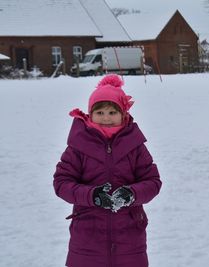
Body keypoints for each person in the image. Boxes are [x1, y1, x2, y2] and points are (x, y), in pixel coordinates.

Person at [53, 74, 162, 267]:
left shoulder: (135, 145)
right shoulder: (78, 146)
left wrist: (131, 194)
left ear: (123, 114)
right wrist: (91, 195)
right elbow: (62, 183)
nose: (106, 118)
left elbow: (152, 181)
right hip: (88, 235)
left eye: (112, 112)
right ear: (90, 114)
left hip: (129, 235)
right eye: (100, 112)